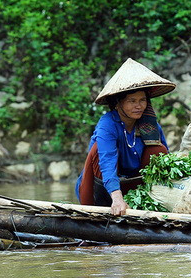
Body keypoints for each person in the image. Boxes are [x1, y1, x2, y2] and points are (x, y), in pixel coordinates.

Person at [75, 59, 175, 215]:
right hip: (102, 187)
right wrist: (116, 197)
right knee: (95, 151)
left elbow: (165, 157)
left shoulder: (149, 124)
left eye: (142, 100)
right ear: (118, 103)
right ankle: (95, 209)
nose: (138, 106)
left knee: (158, 149)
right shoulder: (107, 124)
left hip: (133, 185)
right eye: (132, 101)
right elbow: (106, 162)